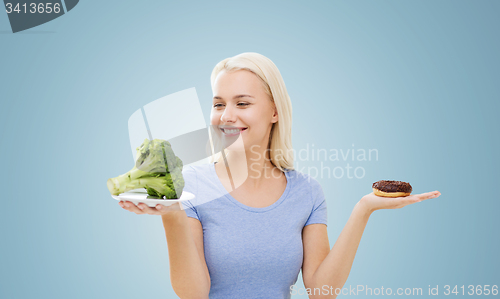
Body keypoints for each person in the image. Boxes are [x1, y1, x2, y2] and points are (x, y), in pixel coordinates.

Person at [118, 52, 441, 299]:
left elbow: (320, 290)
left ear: (274, 112)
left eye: (242, 103)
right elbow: (193, 294)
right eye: (218, 105)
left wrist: (363, 209)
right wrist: (172, 215)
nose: (226, 116)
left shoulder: (307, 192)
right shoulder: (189, 184)